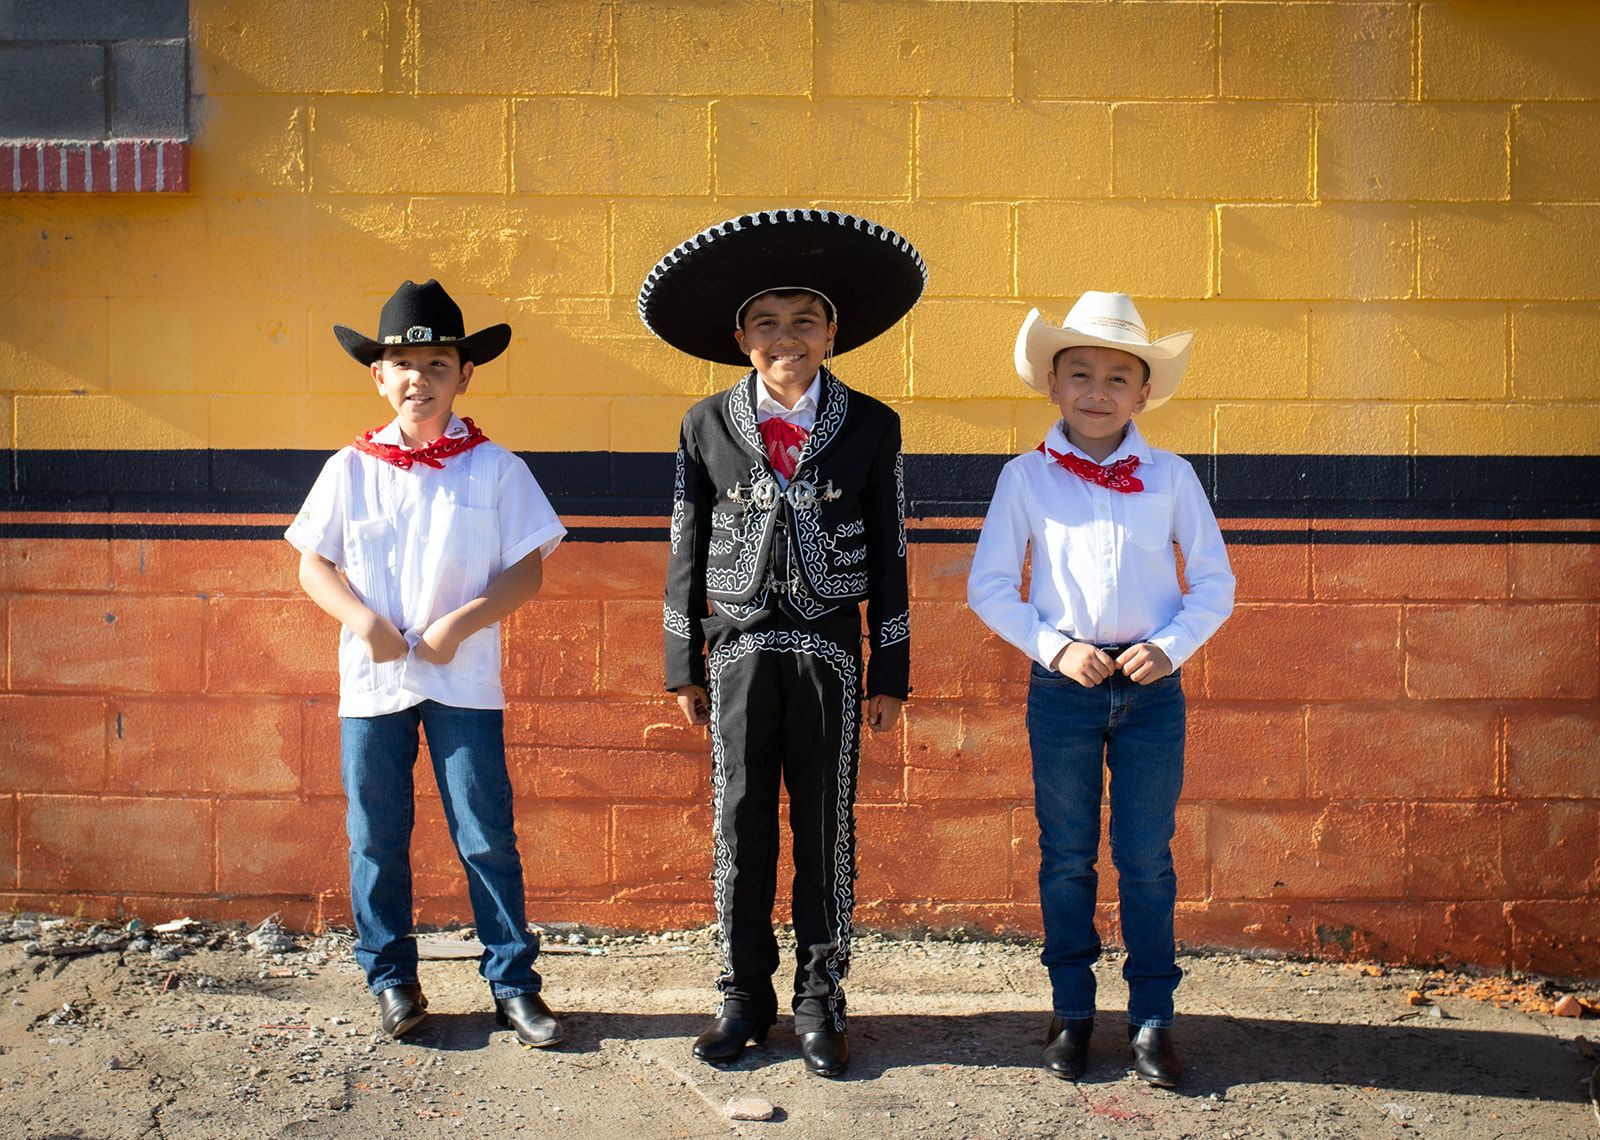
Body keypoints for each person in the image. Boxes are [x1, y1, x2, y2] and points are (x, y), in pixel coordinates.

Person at [639, 209, 925, 1077]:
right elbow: (686, 542)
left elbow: (893, 545)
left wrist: (893, 669)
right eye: (766, 322)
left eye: (804, 320)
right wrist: (680, 662)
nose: (785, 337)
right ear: (740, 338)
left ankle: (820, 997)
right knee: (740, 824)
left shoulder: (873, 422)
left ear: (833, 333)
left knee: (827, 827)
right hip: (734, 653)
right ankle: (743, 994)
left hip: (832, 655)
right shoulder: (705, 423)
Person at [286, 279, 567, 1047]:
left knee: (485, 833)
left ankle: (513, 983)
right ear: (379, 374)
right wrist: (361, 620)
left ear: (463, 375)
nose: (420, 379)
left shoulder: (496, 469)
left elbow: (527, 569)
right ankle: (392, 979)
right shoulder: (350, 468)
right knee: (376, 834)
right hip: (373, 680)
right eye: (403, 364)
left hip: (463, 679)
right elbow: (314, 564)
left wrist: (458, 627)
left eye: (438, 363)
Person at [967, 291, 1235, 1087]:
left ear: (1144, 393)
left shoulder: (1174, 478)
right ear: (1052, 385)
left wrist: (1170, 645)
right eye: (1078, 373)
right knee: (1067, 857)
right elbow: (991, 588)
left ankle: (1153, 1018)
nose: (1096, 390)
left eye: (1118, 377)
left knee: (1146, 858)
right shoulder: (1024, 479)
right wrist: (1054, 650)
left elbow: (1214, 585)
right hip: (1066, 692)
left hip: (1152, 690)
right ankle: (1072, 1011)